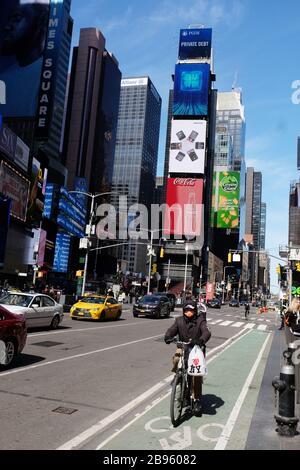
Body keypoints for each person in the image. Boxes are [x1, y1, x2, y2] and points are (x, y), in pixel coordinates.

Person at [164, 300, 211, 416]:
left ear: (195, 311)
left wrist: (200, 340)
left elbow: (206, 332)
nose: (189, 312)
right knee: (176, 359)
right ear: (184, 310)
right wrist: (168, 336)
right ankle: (179, 377)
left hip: (196, 350)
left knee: (196, 376)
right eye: (187, 310)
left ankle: (197, 400)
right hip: (183, 348)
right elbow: (171, 330)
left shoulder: (200, 320)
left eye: (191, 310)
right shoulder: (179, 321)